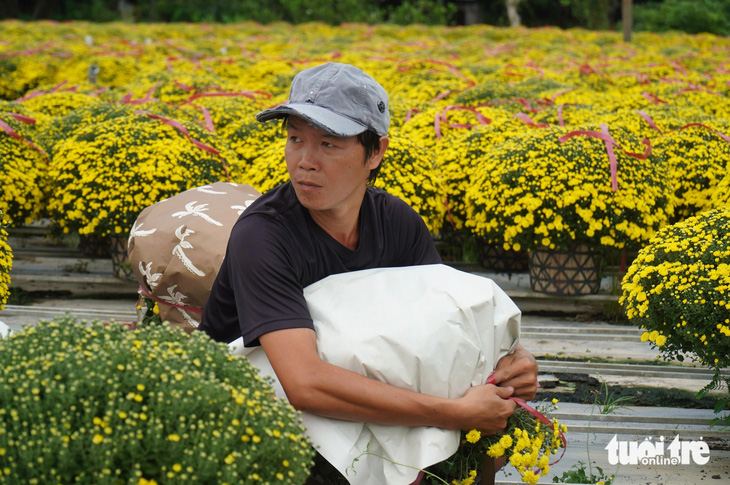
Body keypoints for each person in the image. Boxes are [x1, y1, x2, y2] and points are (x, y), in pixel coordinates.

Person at [200, 62, 538, 483]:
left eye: (328, 144)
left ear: (375, 152)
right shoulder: (263, 236)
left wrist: (514, 365)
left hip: (350, 399)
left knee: (485, 432)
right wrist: (453, 413)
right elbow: (304, 384)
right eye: (294, 140)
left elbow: (449, 327)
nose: (305, 161)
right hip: (256, 414)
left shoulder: (395, 222)